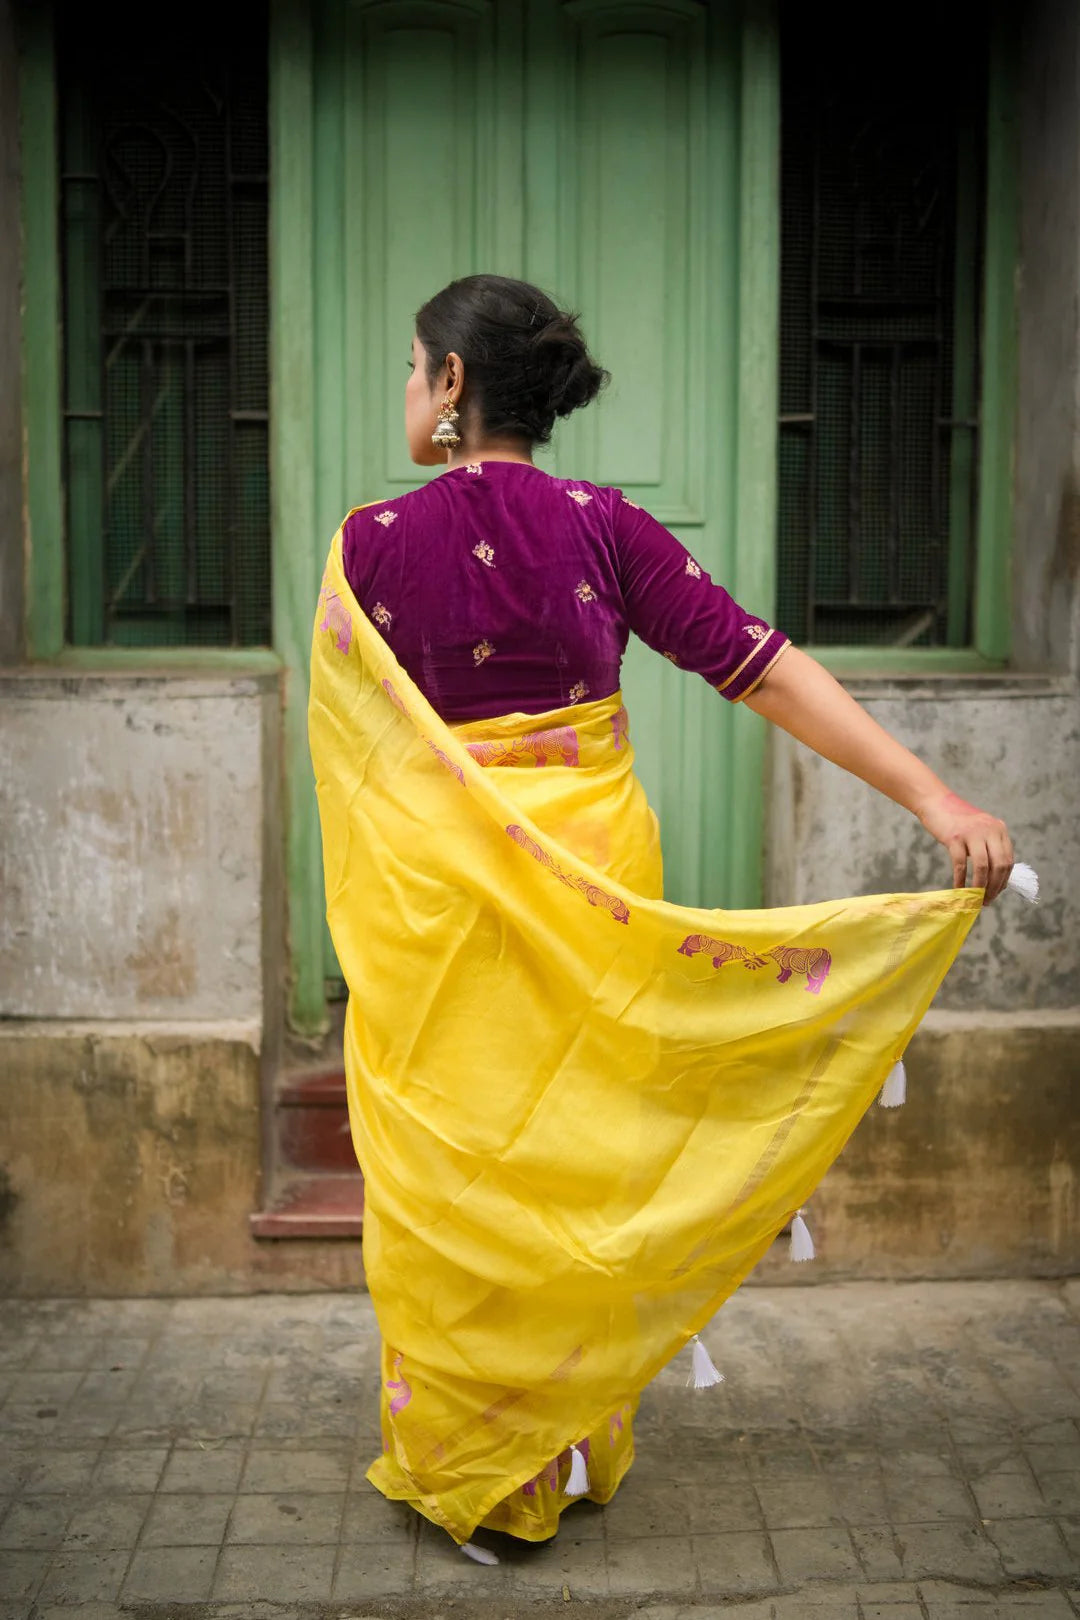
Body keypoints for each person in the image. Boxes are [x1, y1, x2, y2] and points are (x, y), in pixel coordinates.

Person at [308, 274, 1014, 1560]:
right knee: (586, 1160)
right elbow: (761, 663)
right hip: (594, 899)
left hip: (439, 922)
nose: (407, 392)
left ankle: (477, 1465)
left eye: (416, 368)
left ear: (454, 387)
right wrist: (932, 791)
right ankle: (570, 1448)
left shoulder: (365, 548)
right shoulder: (603, 526)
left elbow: (363, 762)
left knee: (459, 1180)